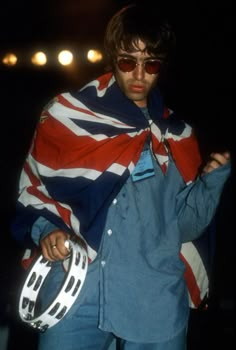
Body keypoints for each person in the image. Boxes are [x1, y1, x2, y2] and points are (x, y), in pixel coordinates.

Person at [11, 3, 231, 350]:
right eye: (128, 61)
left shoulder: (177, 136)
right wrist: (47, 230)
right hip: (76, 292)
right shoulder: (66, 115)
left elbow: (184, 227)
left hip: (153, 298)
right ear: (112, 57)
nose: (139, 74)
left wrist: (210, 184)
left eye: (151, 64)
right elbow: (33, 192)